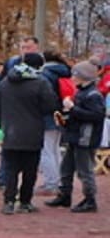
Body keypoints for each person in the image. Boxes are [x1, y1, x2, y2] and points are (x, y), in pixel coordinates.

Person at [0, 54, 58, 214]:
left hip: (10, 131)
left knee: (10, 169)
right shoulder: (40, 83)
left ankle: (8, 201)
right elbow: (50, 105)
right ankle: (25, 202)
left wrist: (3, 123)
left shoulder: (6, 82)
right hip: (33, 131)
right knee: (30, 170)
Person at [46, 60, 105, 213]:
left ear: (84, 77)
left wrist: (73, 109)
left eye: (75, 75)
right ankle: (65, 194)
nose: (72, 78)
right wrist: (66, 116)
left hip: (86, 137)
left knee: (85, 170)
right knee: (66, 167)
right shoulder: (82, 92)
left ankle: (90, 199)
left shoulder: (93, 95)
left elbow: (96, 116)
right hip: (76, 135)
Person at [37, 50, 72, 194]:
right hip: (60, 114)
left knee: (46, 150)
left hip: (47, 116)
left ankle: (51, 183)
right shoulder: (64, 72)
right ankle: (59, 180)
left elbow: (45, 97)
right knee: (55, 149)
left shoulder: (45, 74)